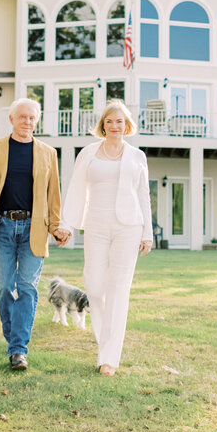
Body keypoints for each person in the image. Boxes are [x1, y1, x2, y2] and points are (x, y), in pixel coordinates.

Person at [0, 98, 70, 371]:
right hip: (1, 226)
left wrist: (56, 227)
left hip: (33, 229)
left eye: (32, 118)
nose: (27, 122)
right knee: (4, 287)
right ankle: (15, 340)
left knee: (27, 287)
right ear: (11, 120)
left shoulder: (48, 153)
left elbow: (53, 197)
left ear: (37, 121)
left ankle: (17, 349)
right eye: (22, 117)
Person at [60, 100, 153, 376]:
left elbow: (143, 195)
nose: (114, 126)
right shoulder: (88, 153)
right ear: (103, 125)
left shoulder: (137, 156)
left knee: (119, 289)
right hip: (96, 225)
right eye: (109, 121)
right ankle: (105, 342)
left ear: (127, 126)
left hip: (129, 227)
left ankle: (109, 358)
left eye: (120, 122)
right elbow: (75, 188)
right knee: (96, 288)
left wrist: (146, 232)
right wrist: (67, 224)